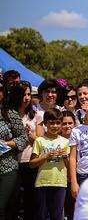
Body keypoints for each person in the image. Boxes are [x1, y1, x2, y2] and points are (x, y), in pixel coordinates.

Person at [29, 108, 70, 220]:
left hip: (60, 183)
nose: (55, 126)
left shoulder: (65, 142)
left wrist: (65, 156)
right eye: (51, 123)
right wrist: (46, 156)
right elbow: (31, 164)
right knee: (41, 216)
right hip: (42, 183)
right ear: (45, 124)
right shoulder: (39, 141)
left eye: (58, 123)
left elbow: (69, 165)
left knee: (56, 216)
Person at [0, 82, 28, 219]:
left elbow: (23, 138)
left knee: (2, 208)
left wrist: (5, 144)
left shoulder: (10, 113)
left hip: (7, 167)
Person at [16, 80, 42, 220]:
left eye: (28, 94)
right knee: (14, 200)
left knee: (30, 200)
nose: (26, 98)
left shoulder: (36, 115)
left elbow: (40, 141)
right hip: (13, 162)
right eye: (23, 94)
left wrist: (30, 135)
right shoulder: (10, 114)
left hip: (31, 162)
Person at [60, 111, 77, 220]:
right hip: (60, 182)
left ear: (75, 124)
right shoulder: (56, 140)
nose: (67, 126)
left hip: (75, 182)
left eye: (70, 123)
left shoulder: (80, 139)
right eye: (64, 123)